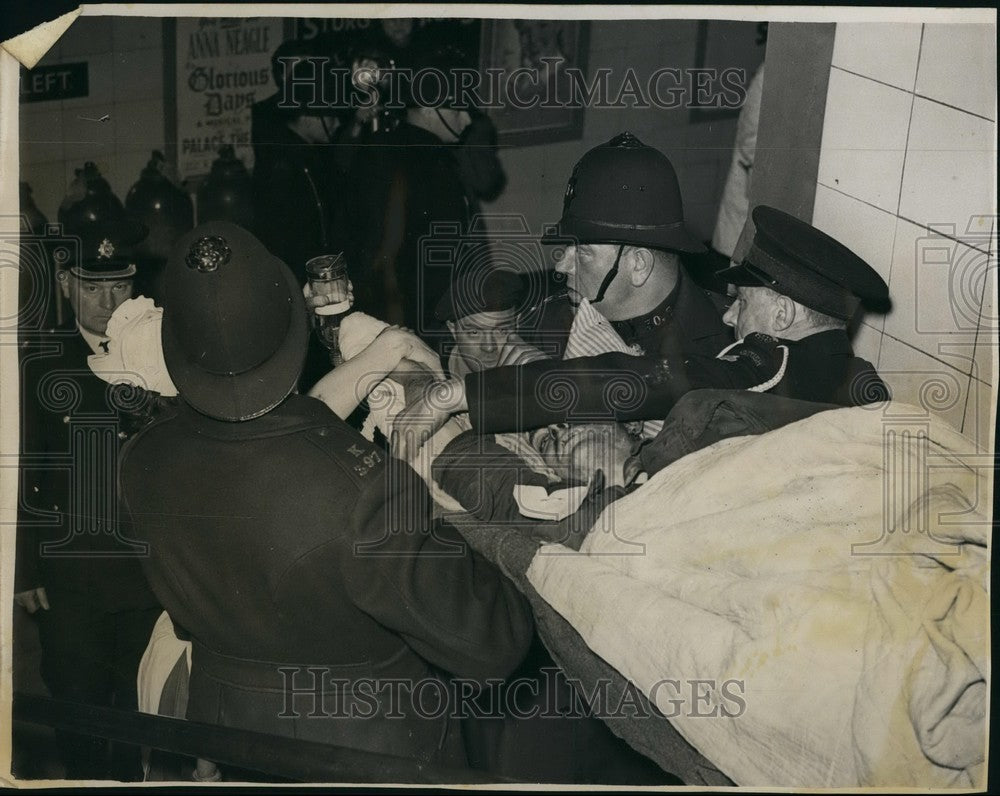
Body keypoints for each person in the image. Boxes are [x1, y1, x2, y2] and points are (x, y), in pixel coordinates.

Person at [117, 222, 533, 774]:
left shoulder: (141, 461)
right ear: (292, 326)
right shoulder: (364, 491)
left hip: (229, 739)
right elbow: (493, 643)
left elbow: (264, 443)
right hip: (368, 756)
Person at [392, 131, 733, 446]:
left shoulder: (717, 351)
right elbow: (474, 338)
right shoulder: (562, 310)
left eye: (581, 252)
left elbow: (637, 382)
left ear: (638, 265)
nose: (560, 266)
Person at [14, 215, 162, 781]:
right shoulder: (39, 361)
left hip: (149, 571)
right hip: (71, 577)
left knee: (141, 712)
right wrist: (22, 566)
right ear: (65, 282)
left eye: (119, 286)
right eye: (93, 286)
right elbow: (22, 464)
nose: (106, 302)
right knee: (77, 706)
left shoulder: (163, 349)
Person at [344, 36, 505, 338]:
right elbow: (391, 258)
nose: (467, 119)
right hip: (416, 323)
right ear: (431, 109)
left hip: (414, 319)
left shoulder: (404, 151)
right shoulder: (421, 164)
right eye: (459, 109)